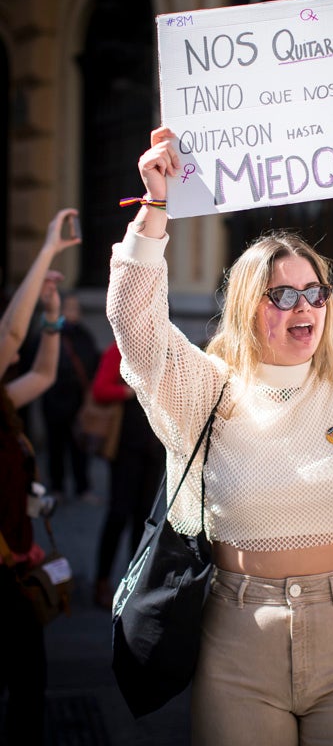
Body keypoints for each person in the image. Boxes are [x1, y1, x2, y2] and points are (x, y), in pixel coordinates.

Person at [106, 127, 333, 746]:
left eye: (315, 292)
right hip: (238, 644)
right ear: (250, 306)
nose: (305, 308)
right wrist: (154, 212)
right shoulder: (206, 388)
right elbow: (137, 333)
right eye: (283, 295)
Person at [0, 208, 80, 746]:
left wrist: (52, 317)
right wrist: (47, 248)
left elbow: (44, 374)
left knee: (29, 685)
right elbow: (10, 332)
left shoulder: (4, 403)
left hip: (13, 575)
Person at [92, 340, 165, 609]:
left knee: (144, 518)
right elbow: (99, 389)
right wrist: (129, 391)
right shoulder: (118, 349)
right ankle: (101, 582)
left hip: (154, 448)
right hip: (125, 447)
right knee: (118, 513)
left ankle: (134, 581)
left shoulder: (166, 351)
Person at [37, 291, 100, 502]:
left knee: (79, 447)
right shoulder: (50, 334)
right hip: (54, 401)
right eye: (70, 307)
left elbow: (92, 361)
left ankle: (82, 488)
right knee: (56, 446)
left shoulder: (83, 334)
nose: (74, 312)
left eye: (76, 308)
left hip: (78, 402)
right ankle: (57, 487)